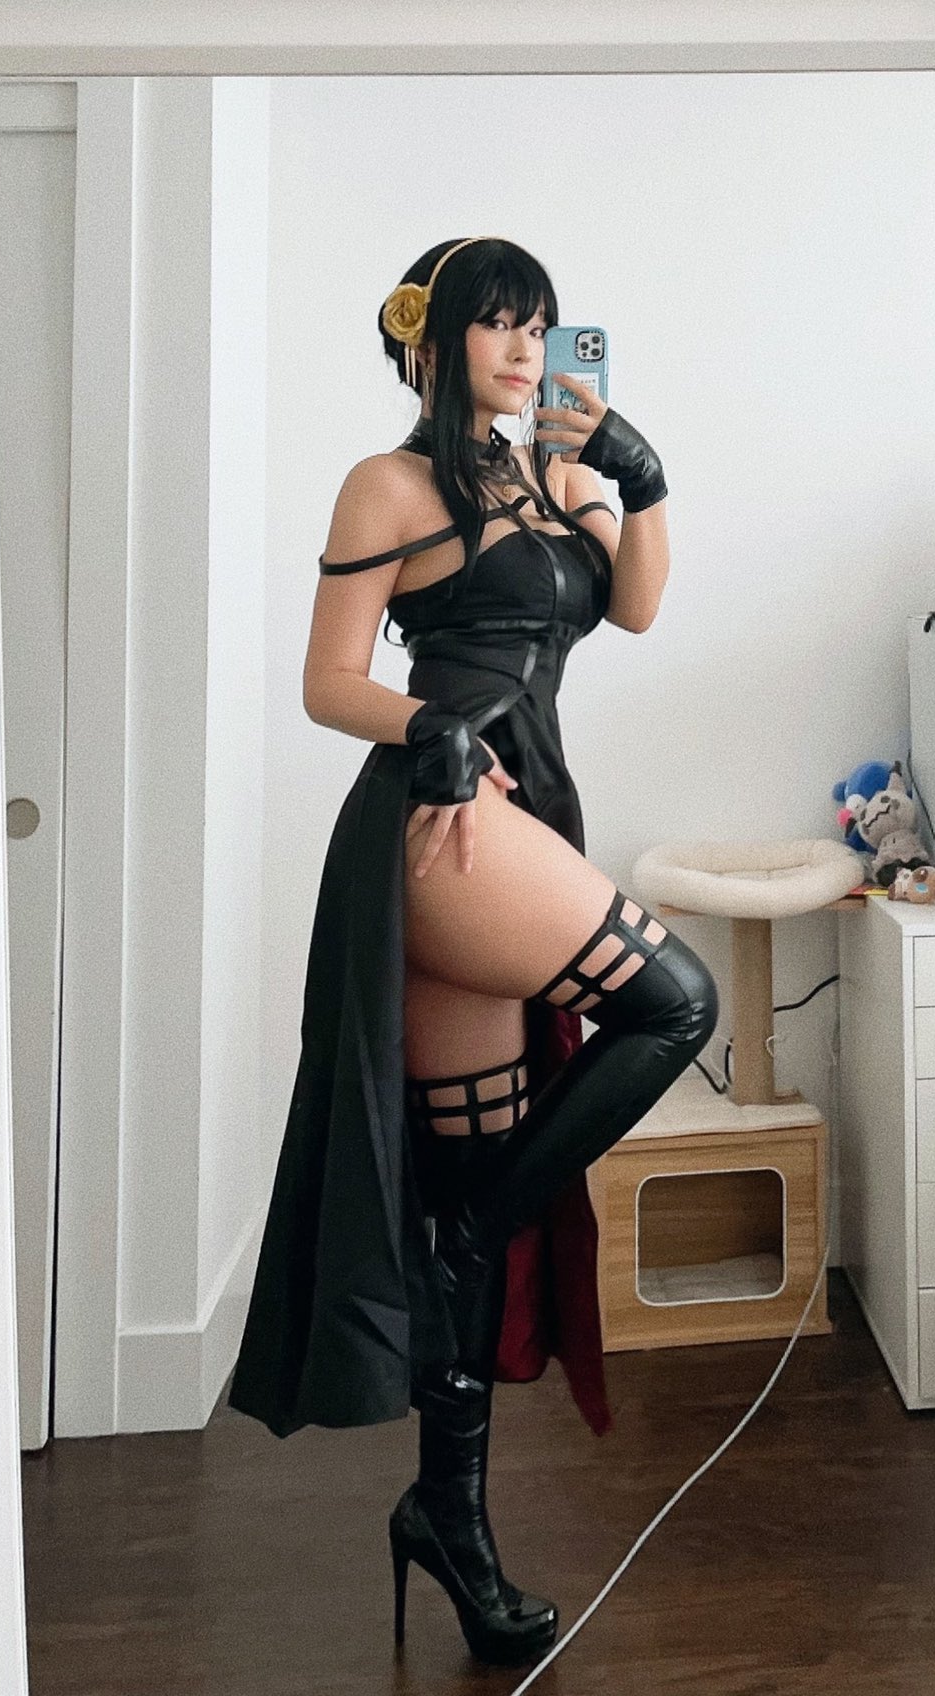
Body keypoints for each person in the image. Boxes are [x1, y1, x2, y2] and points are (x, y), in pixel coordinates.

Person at [226, 235, 719, 1668]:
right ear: (431, 344)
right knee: (675, 1003)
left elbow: (636, 605)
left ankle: (448, 1517)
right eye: (496, 324)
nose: (522, 349)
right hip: (440, 824)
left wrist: (638, 475)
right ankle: (473, 1229)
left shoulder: (551, 476)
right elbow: (328, 680)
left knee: (465, 1177)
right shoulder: (389, 484)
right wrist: (429, 726)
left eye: (538, 326)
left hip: (521, 820)